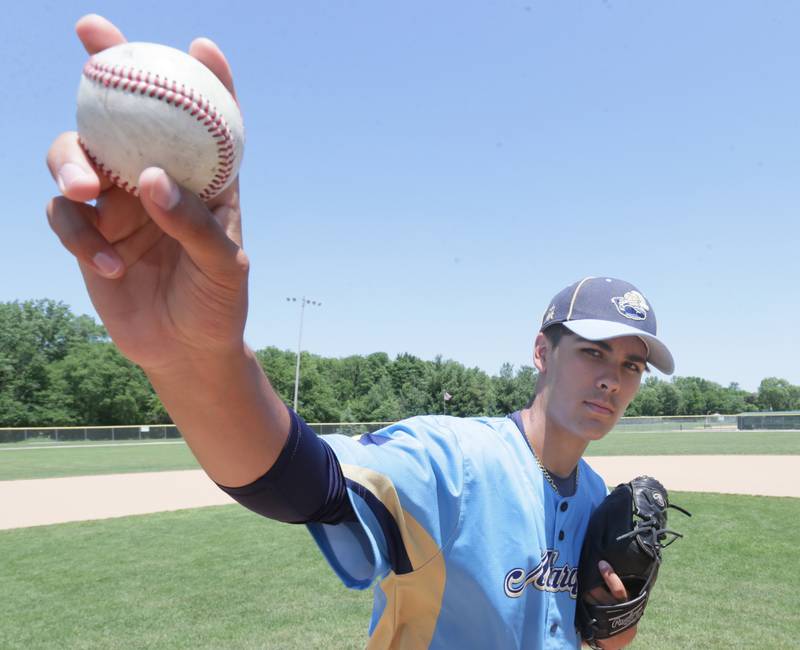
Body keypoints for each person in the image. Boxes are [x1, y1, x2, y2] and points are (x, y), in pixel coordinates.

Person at [46, 15, 675, 649]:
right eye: (593, 351)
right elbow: (303, 486)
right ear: (542, 352)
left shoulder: (597, 496)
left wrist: (615, 625)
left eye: (630, 366)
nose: (611, 379)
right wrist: (196, 360)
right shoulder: (452, 465)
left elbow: (587, 639)